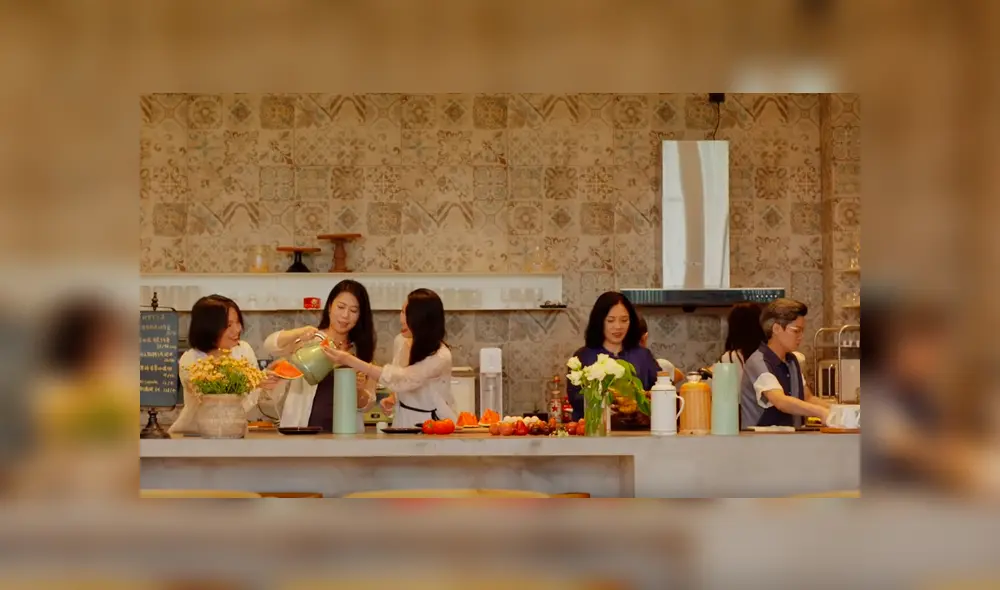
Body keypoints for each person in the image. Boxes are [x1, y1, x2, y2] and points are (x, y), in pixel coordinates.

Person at [324, 288, 457, 428]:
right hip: (403, 422)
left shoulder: (441, 356)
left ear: (422, 319)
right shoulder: (400, 341)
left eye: (407, 314)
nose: (401, 319)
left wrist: (349, 360)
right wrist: (394, 398)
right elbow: (399, 382)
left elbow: (402, 378)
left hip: (435, 425)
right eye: (401, 311)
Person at [261, 280, 378, 432]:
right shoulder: (312, 340)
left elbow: (366, 405)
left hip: (346, 435)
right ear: (330, 307)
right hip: (303, 431)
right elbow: (270, 345)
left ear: (360, 316)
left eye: (354, 310)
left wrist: (359, 390)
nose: (345, 315)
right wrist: (300, 332)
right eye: (341, 307)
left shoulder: (361, 352)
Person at [169, 295, 281, 435]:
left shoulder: (243, 350)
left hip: (233, 431)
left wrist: (262, 381)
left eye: (238, 322)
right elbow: (213, 401)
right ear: (208, 328)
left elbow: (247, 402)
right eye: (228, 325)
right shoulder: (190, 360)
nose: (237, 329)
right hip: (196, 434)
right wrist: (254, 381)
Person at [566, 291, 659, 422]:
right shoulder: (583, 357)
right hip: (595, 434)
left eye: (624, 320)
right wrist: (607, 400)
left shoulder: (643, 355)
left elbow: (663, 390)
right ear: (599, 322)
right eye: (610, 320)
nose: (618, 327)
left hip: (638, 435)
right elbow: (576, 399)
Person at [740, 298, 830, 428]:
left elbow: (807, 397)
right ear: (776, 328)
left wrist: (837, 410)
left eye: (802, 331)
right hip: (761, 443)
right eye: (796, 330)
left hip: (788, 441)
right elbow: (780, 401)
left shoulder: (792, 361)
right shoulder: (759, 362)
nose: (801, 336)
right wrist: (821, 412)